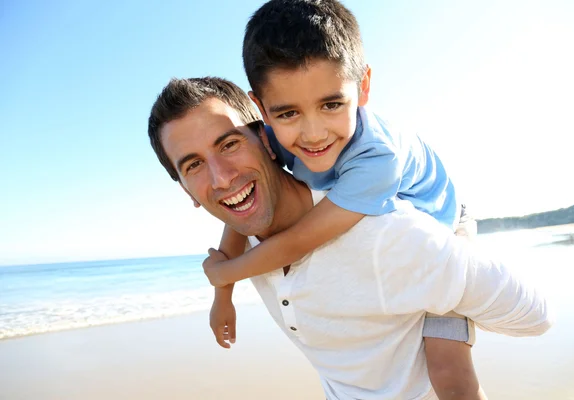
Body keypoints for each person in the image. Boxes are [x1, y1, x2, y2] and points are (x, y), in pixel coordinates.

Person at [147, 77, 553, 400]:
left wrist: (445, 294)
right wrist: (223, 293)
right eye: (194, 165)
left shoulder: (386, 233)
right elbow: (237, 223)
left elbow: (536, 316)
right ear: (185, 190)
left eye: (230, 144)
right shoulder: (247, 223)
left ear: (267, 141)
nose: (221, 177)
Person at [204, 0, 483, 397]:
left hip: (447, 223)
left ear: (363, 86)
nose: (313, 133)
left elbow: (302, 239)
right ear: (262, 109)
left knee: (449, 372)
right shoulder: (274, 139)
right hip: (392, 229)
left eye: (332, 104)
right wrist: (222, 296)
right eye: (288, 114)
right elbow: (241, 206)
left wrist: (227, 273)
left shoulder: (377, 159)